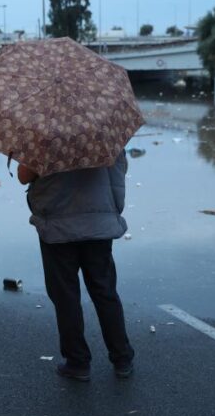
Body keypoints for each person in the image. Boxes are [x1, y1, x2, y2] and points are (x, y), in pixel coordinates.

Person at [18, 151, 135, 381]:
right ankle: (122, 358)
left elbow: (24, 175)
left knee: (65, 295)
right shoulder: (103, 134)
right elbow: (120, 171)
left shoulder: (46, 136)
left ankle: (78, 362)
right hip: (99, 224)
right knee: (104, 291)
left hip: (58, 227)